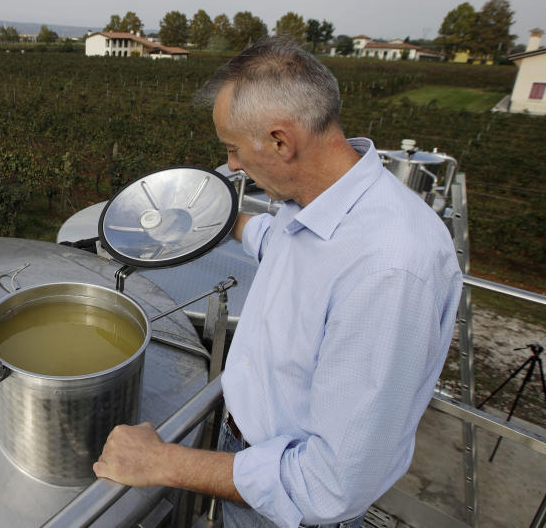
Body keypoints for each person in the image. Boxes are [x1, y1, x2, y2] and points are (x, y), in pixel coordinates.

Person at [92, 37, 463, 528]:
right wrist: (219, 221)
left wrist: (161, 462)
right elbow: (282, 244)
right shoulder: (317, 203)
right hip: (242, 455)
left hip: (285, 506)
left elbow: (328, 487)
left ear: (281, 140)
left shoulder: (389, 271)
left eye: (233, 149)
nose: (231, 166)